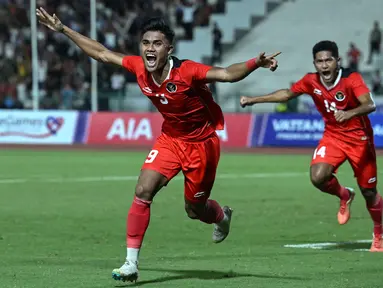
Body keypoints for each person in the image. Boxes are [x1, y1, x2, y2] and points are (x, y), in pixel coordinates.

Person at [36, 7, 281, 282]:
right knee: (143, 190)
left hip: (201, 146)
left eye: (157, 44)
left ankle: (221, 217)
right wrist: (64, 30)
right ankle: (131, 264)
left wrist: (253, 63)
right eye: (145, 43)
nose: (149, 49)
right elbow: (103, 54)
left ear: (169, 49)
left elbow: (226, 74)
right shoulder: (139, 66)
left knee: (194, 210)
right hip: (170, 140)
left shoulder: (187, 71)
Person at [240, 40, 383, 252]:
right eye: (319, 61)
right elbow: (287, 94)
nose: (324, 65)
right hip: (333, 136)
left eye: (328, 60)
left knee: (369, 191)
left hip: (359, 139)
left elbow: (369, 104)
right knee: (317, 177)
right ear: (314, 63)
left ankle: (379, 232)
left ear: (337, 61)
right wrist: (254, 100)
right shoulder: (310, 81)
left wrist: (349, 113)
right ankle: (344, 194)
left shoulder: (351, 78)